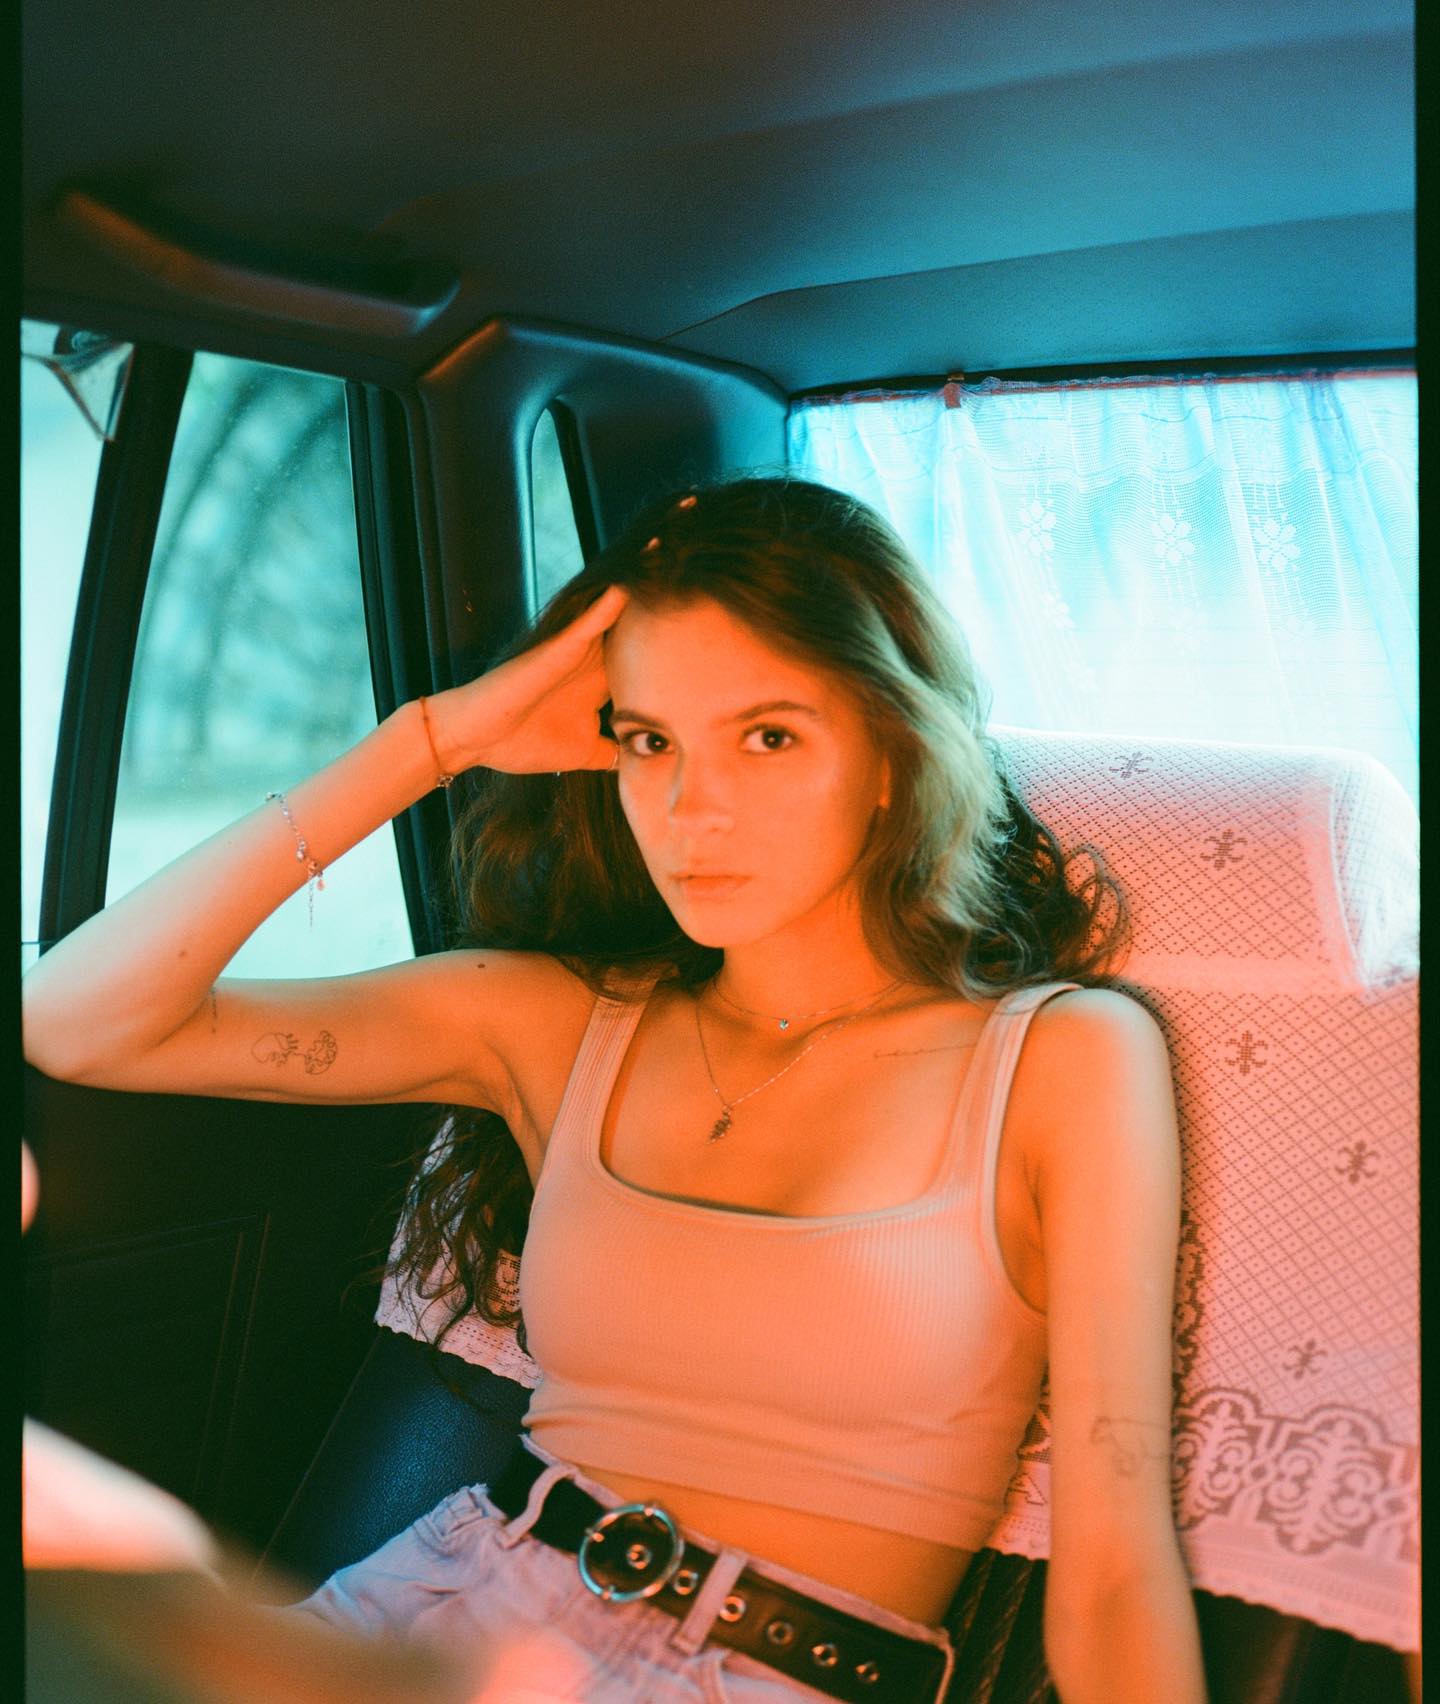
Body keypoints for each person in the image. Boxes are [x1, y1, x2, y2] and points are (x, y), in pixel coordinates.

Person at [23, 477, 1206, 1702]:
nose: (693, 810)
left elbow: (1117, 1571)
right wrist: (430, 744)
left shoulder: (1066, 1059)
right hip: (444, 1615)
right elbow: (82, 1022)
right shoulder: (555, 1023)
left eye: (769, 735)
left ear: (895, 756)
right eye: (650, 741)